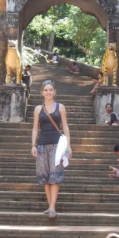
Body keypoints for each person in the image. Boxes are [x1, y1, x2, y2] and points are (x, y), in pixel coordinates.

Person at [31, 80, 72, 219]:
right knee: (45, 177)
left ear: (54, 92)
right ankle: (50, 206)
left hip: (57, 145)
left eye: (50, 90)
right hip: (42, 145)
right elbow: (35, 128)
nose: (48, 92)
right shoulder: (38, 109)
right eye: (45, 90)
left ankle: (53, 207)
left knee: (55, 176)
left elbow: (65, 126)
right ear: (42, 92)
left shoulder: (60, 107)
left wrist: (69, 145)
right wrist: (33, 145)